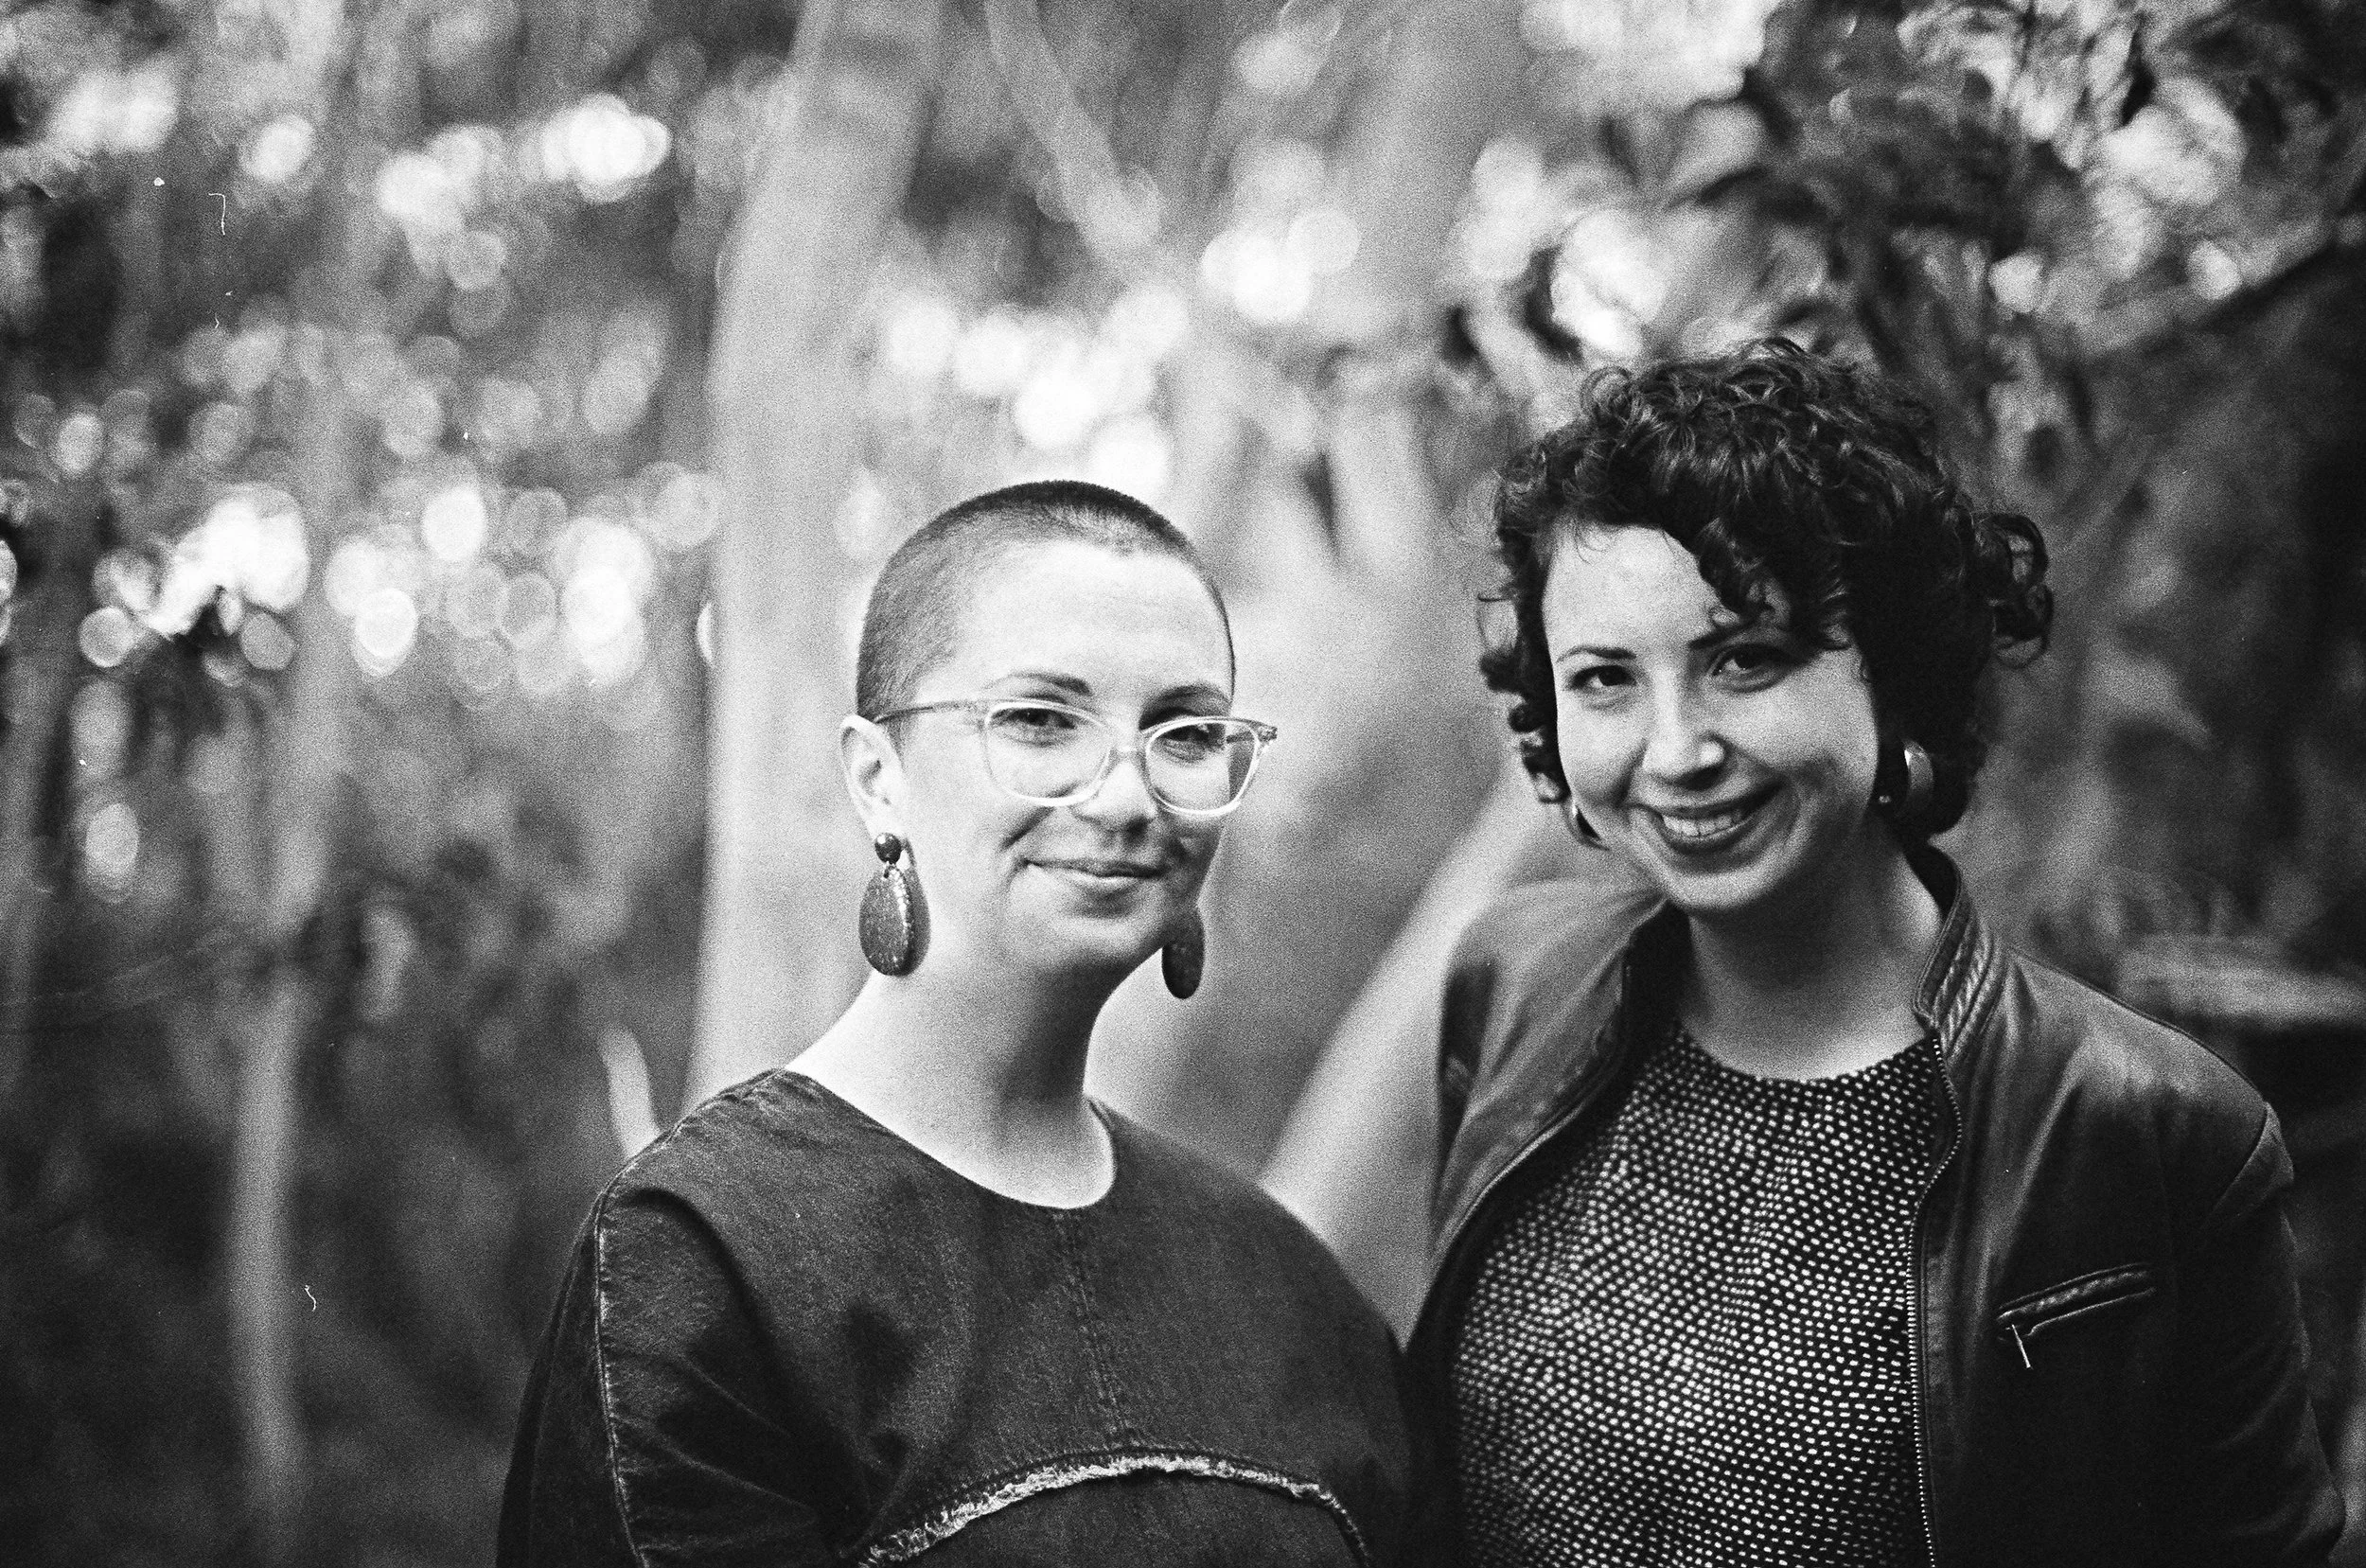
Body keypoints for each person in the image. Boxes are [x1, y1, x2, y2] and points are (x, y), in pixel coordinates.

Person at [1417, 342, 2343, 1567]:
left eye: (1745, 657)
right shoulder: (1513, 987)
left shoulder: (2156, 1138)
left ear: (1895, 673)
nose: (1677, 746)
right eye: (1604, 679)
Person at [499, 481, 1420, 1565]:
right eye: (1039, 720)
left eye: (1184, 731)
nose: (1127, 797)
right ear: (876, 780)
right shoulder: (705, 1256)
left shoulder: (1287, 1286)